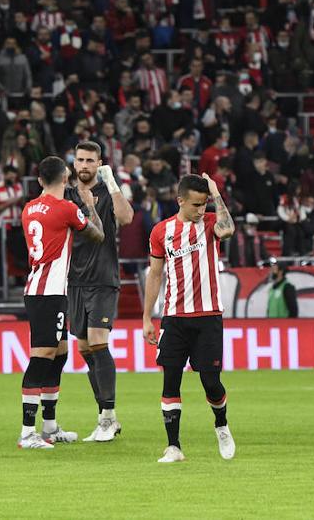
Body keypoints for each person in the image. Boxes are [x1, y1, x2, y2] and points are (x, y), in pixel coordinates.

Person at [143, 173, 238, 464]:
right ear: (180, 201)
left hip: (208, 317)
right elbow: (155, 274)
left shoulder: (211, 223)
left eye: (204, 204)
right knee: (170, 380)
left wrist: (216, 193)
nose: (201, 210)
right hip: (174, 317)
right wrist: (147, 317)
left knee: (211, 382)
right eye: (196, 205)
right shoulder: (161, 231)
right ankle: (174, 447)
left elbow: (229, 230)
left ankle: (221, 423)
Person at [18, 156, 105, 450]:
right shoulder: (67, 208)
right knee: (42, 355)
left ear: (40, 180)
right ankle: (27, 432)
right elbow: (98, 235)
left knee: (59, 354)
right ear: (65, 179)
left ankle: (50, 427)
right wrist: (89, 204)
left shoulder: (29, 208)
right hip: (49, 291)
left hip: (40, 288)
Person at [65, 141, 134, 443]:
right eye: (79, 159)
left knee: (97, 341)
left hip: (104, 278)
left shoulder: (107, 193)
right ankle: (106, 417)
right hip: (75, 281)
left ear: (99, 163)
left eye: (90, 161)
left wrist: (112, 181)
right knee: (84, 349)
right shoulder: (67, 195)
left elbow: (127, 217)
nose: (83, 165)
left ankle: (107, 416)